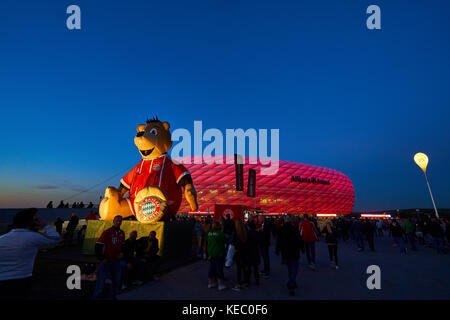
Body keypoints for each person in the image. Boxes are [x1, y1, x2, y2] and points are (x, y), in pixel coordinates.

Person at [0, 208, 61, 300]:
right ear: (31, 222)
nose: (39, 221)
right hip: (20, 280)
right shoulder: (33, 237)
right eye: (36, 219)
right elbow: (55, 239)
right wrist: (46, 226)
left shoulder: (2, 238)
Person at [92, 215, 125, 300]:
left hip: (116, 261)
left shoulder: (122, 233)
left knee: (116, 282)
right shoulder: (107, 232)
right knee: (101, 282)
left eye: (120, 220)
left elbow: (123, 246)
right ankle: (96, 297)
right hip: (107, 261)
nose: (119, 222)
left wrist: (122, 253)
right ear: (113, 221)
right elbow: (98, 245)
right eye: (117, 220)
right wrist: (101, 258)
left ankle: (112, 297)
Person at [276, 216, 304, 296]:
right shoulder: (294, 228)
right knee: (294, 268)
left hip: (285, 253)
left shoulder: (281, 229)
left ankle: (292, 281)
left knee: (289, 268)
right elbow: (299, 239)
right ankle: (292, 282)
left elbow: (279, 241)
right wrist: (302, 248)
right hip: (294, 252)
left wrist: (277, 250)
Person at [207, 220, 227, 291]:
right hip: (219, 253)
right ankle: (220, 285)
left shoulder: (209, 233)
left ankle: (210, 283)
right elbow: (225, 240)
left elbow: (208, 243)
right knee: (219, 268)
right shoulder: (220, 233)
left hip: (211, 253)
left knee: (211, 268)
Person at [231, 219, 249, 292]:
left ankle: (238, 284)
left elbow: (233, 244)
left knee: (239, 269)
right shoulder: (245, 233)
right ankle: (246, 282)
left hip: (238, 253)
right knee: (244, 268)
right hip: (245, 253)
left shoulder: (237, 235)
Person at [245, 221, 261, 286]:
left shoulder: (247, 233)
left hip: (249, 251)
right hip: (255, 250)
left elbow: (246, 242)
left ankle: (248, 281)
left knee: (248, 267)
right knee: (255, 267)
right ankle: (257, 280)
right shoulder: (256, 233)